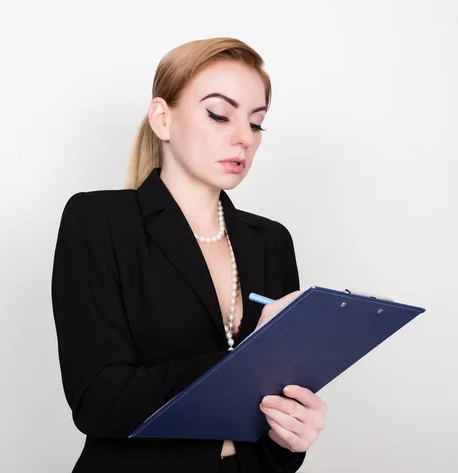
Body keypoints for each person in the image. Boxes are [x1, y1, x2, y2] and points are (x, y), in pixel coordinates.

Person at [50, 37, 328, 473]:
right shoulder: (99, 220)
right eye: (219, 114)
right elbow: (98, 400)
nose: (243, 139)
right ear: (162, 118)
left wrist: (292, 433)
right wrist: (249, 361)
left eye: (256, 124)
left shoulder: (271, 241)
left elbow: (273, 422)